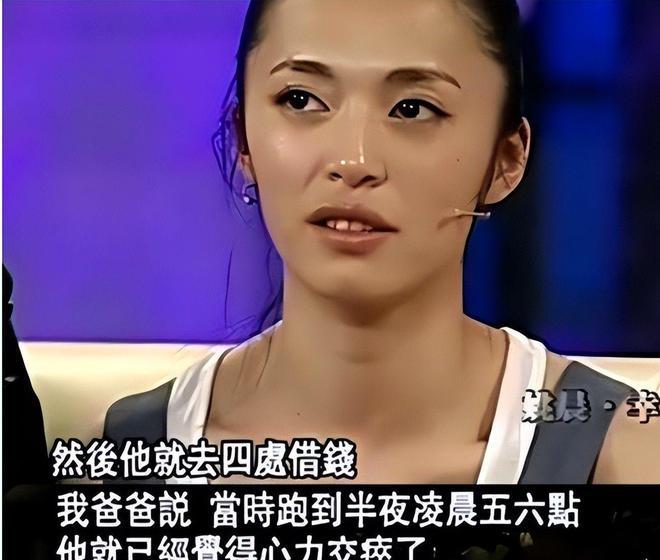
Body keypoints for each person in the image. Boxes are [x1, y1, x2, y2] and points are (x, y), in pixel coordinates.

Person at [105, 0, 659, 484]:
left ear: (506, 159)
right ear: (243, 139)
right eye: (301, 99)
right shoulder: (127, 459)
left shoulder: (626, 458)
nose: (354, 161)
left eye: (413, 109)